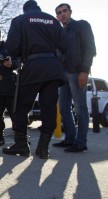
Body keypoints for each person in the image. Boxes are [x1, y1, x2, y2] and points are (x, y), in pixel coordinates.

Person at [2, 0, 69, 159]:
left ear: (25, 10)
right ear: (38, 8)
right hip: (53, 68)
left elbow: (12, 48)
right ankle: (43, 148)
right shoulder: (53, 20)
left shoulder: (20, 20)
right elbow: (65, 46)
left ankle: (21, 145)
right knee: (49, 107)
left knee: (21, 106)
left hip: (32, 67)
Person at [52, 3, 96, 152]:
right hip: (62, 75)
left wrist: (84, 71)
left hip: (77, 72)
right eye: (59, 13)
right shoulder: (58, 32)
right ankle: (70, 138)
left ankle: (81, 142)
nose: (62, 14)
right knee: (64, 108)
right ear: (57, 17)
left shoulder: (81, 25)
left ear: (70, 12)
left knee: (80, 108)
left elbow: (90, 49)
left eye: (64, 11)